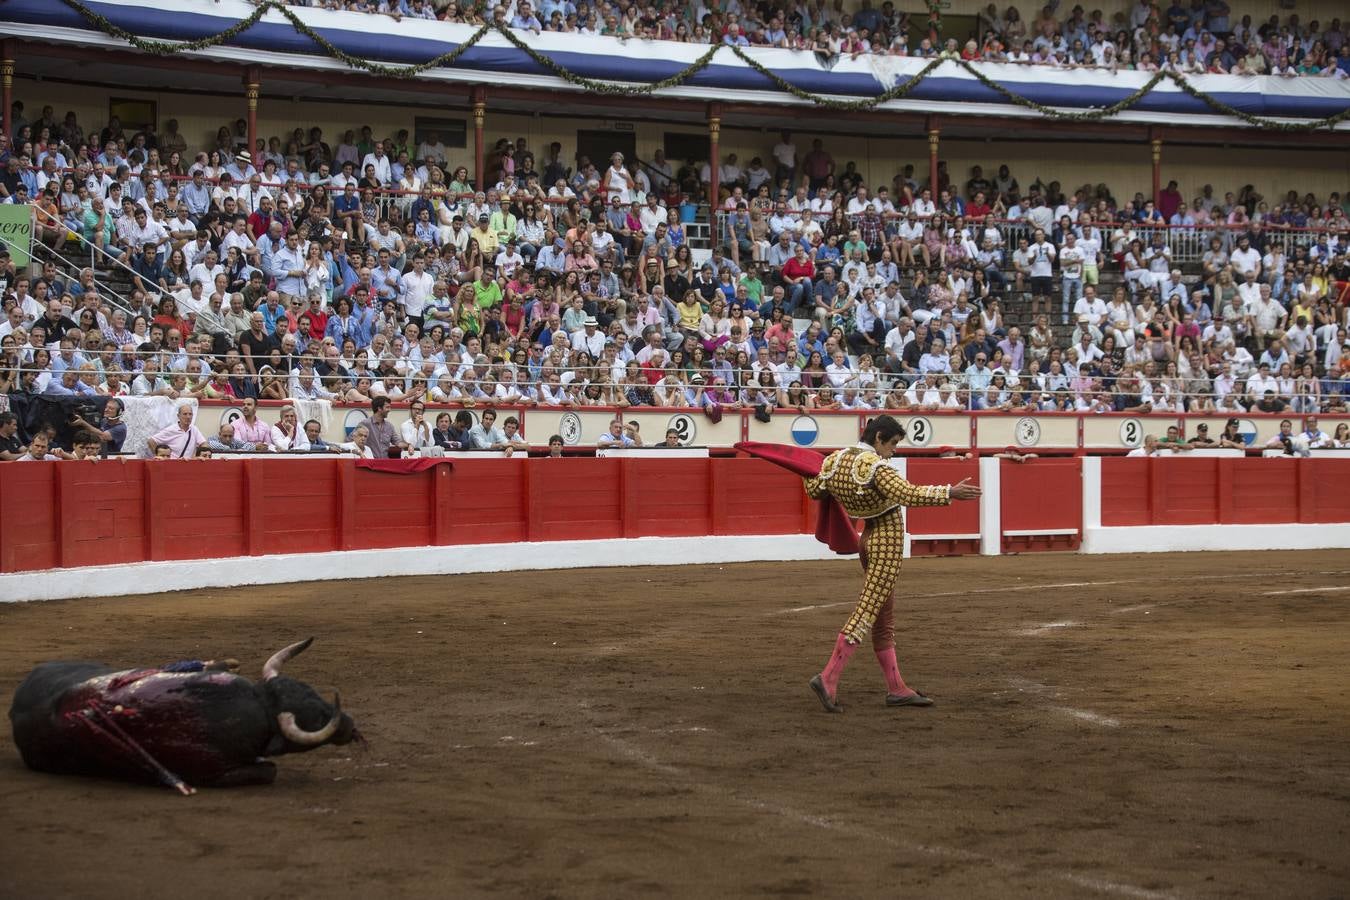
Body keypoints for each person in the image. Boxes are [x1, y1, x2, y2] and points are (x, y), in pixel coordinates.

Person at [802, 415, 981, 712]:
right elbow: (907, 494)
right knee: (867, 610)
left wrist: (805, 468)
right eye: (893, 444)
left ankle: (896, 688)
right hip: (885, 540)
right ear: (879, 438)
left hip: (866, 539)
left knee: (882, 617)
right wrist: (950, 492)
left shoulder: (834, 462)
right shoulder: (876, 467)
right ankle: (829, 677)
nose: (894, 451)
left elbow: (813, 489)